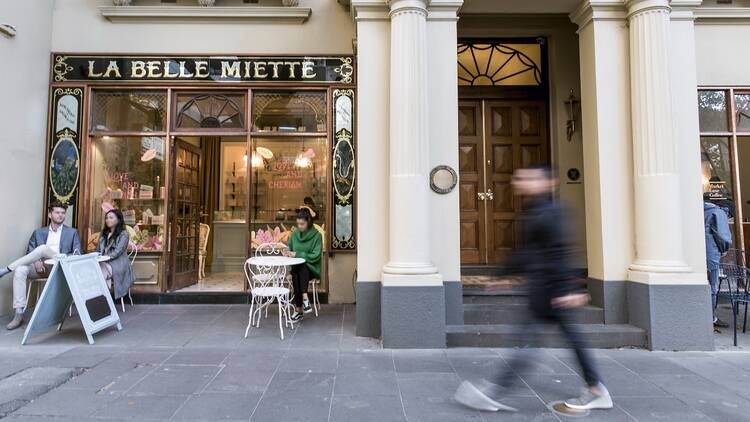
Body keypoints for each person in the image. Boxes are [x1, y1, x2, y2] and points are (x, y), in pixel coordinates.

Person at [455, 165, 612, 412]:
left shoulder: (551, 213)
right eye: (520, 177)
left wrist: (569, 289)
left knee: (528, 344)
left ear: (549, 183)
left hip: (551, 291)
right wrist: (504, 276)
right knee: (565, 339)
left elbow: (560, 252)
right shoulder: (536, 211)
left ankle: (495, 391)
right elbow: (528, 251)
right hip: (545, 289)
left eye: (530, 178)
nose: (521, 181)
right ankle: (595, 388)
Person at [0, 203, 81, 330]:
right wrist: (36, 262)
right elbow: (30, 254)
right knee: (20, 270)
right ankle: (19, 313)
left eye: (63, 213)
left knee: (43, 248)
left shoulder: (72, 232)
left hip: (60, 266)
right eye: (57, 212)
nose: (60, 215)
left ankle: (6, 269)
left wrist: (58, 257)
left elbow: (77, 253)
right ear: (50, 215)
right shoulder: (38, 233)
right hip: (42, 268)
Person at [284, 207, 322, 321]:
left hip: (311, 268)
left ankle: (298, 309)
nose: (299, 226)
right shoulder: (295, 234)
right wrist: (286, 250)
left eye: (302, 224)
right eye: (298, 224)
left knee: (301, 267)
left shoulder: (317, 236)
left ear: (309, 222)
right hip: (297, 269)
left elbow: (315, 256)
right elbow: (289, 246)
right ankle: (304, 301)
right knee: (297, 272)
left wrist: (297, 254)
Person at [704, 195, 732, 328]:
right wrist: (724, 249)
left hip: (698, 253)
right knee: (712, 287)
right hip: (712, 254)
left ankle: (703, 315)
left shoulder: (701, 210)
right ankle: (711, 318)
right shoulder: (719, 213)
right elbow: (723, 237)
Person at [97, 209, 136, 301]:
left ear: (118, 220)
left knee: (100, 271)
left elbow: (117, 252)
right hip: (103, 262)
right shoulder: (103, 234)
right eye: (106, 218)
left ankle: (101, 300)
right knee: (95, 269)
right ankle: (103, 299)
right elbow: (98, 250)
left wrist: (104, 258)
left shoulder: (124, 234)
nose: (108, 220)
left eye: (111, 218)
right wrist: (97, 257)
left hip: (118, 263)